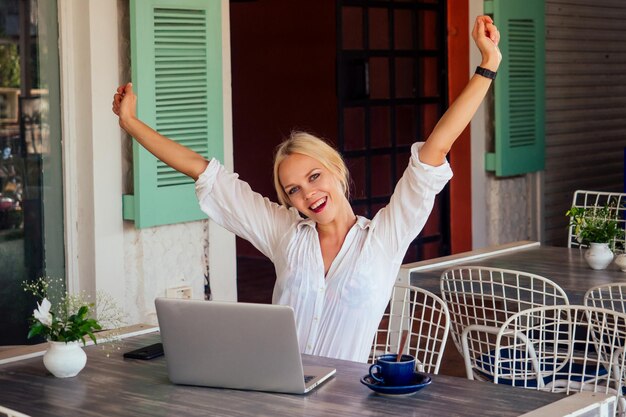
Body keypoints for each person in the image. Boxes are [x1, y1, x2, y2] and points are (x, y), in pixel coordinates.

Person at [112, 15, 501, 362]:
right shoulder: (285, 235)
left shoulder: (385, 236)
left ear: (336, 170)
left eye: (314, 177)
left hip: (345, 401)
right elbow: (203, 171)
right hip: (276, 393)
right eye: (293, 190)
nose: (307, 194)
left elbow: (436, 147)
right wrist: (130, 123)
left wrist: (487, 65)